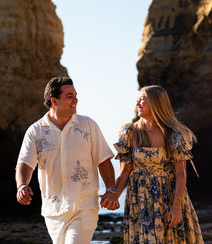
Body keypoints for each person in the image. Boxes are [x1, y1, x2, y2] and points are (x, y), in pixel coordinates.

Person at [15, 76, 118, 244]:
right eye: (70, 96)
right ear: (54, 101)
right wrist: (22, 185)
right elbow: (25, 164)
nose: (76, 100)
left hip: (84, 206)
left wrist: (111, 189)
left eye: (76, 95)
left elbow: (104, 159)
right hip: (53, 211)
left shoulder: (88, 125)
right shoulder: (35, 131)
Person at [100, 85, 204, 244]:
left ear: (156, 104)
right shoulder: (130, 132)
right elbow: (126, 170)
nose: (138, 104)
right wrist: (114, 194)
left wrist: (176, 205)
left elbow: (181, 173)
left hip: (168, 197)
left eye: (143, 100)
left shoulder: (173, 134)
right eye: (138, 100)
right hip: (139, 200)